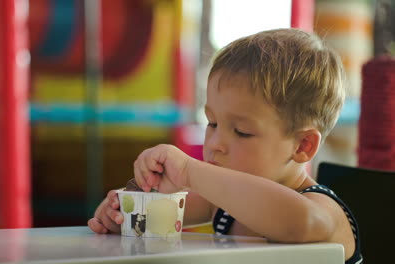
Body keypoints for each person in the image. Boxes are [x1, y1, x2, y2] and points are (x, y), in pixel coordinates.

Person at [88, 28, 363, 264]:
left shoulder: (320, 208)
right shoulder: (219, 204)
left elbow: (299, 224)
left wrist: (189, 171)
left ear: (302, 144)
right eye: (212, 123)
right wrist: (123, 210)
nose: (215, 144)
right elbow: (155, 216)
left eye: (242, 132)